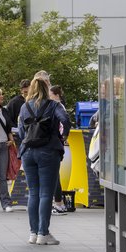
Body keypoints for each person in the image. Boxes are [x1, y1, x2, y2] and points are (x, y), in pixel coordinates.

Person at [18, 71, 71, 245]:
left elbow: (21, 131)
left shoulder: (25, 107)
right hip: (48, 150)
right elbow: (66, 120)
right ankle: (43, 233)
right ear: (47, 88)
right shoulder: (54, 105)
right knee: (46, 193)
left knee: (33, 192)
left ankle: (33, 233)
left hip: (28, 151)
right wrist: (63, 137)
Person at [49, 85, 72, 215]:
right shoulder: (57, 106)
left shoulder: (57, 106)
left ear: (56, 95)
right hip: (57, 143)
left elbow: (64, 122)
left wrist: (63, 136)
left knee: (54, 174)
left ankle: (58, 203)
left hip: (55, 143)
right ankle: (59, 202)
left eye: (50, 95)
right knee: (54, 173)